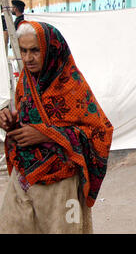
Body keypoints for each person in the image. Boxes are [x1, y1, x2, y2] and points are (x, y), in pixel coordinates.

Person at [0, 21, 113, 233]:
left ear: (51, 49)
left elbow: (99, 131)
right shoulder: (26, 79)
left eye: (35, 50)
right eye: (23, 51)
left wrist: (45, 134)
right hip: (25, 175)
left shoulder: (70, 84)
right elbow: (26, 118)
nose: (27, 58)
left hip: (61, 182)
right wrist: (10, 122)